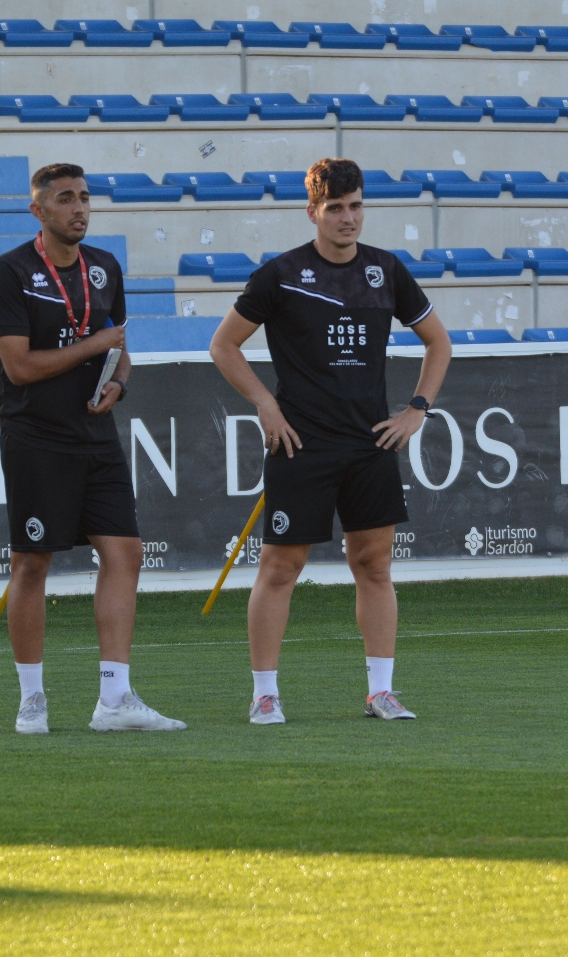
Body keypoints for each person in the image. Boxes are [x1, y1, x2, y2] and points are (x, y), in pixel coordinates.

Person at [207, 157, 452, 726]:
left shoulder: (386, 270)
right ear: (312, 211)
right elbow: (223, 345)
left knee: (374, 566)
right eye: (335, 208)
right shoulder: (281, 274)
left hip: (370, 446)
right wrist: (265, 403)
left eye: (356, 206)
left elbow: (438, 342)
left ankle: (381, 693)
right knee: (279, 568)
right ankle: (264, 695)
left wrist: (417, 410)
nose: (348, 218)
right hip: (301, 445)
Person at [0, 162, 185, 735]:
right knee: (31, 564)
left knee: (125, 553)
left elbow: (119, 348)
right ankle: (31, 699)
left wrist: (119, 381)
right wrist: (94, 345)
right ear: (38, 210)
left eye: (84, 198)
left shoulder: (104, 266)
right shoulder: (10, 272)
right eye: (66, 199)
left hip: (97, 436)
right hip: (35, 436)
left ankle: (115, 699)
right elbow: (19, 367)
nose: (79, 208)